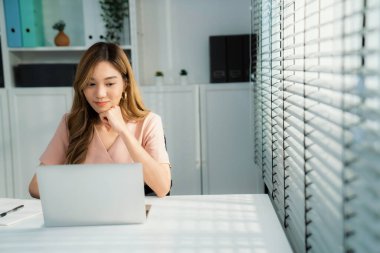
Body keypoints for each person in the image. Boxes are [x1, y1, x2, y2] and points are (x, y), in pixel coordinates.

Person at [28, 42, 171, 198]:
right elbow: (35, 186)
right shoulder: (71, 123)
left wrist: (123, 130)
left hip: (132, 219)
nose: (100, 93)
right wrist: (84, 196)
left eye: (109, 83)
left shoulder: (150, 122)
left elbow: (162, 187)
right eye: (91, 84)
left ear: (125, 83)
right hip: (85, 216)